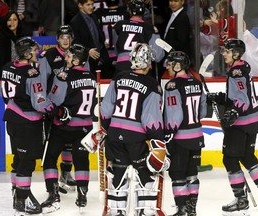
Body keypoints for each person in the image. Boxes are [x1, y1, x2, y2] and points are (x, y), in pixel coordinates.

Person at [206, 38, 258, 215]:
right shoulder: (243, 67)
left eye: (227, 51)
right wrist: (222, 98)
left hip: (241, 124)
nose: (224, 54)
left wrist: (233, 112)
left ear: (236, 54)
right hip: (252, 122)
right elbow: (240, 94)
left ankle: (241, 200)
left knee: (229, 159)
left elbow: (242, 100)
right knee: (247, 157)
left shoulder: (236, 72)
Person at [100, 43, 168, 216]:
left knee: (118, 175)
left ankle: (116, 212)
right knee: (144, 176)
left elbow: (106, 109)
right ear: (149, 63)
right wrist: (158, 140)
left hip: (115, 136)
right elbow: (151, 120)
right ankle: (145, 212)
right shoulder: (151, 84)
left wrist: (109, 129)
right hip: (137, 139)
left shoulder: (118, 77)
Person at [0, 36, 56, 215]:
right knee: (26, 163)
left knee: (18, 159)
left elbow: (2, 90)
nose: (37, 52)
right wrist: (53, 109)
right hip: (27, 123)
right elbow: (40, 103)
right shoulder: (32, 72)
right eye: (34, 50)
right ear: (27, 53)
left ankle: (17, 194)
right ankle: (23, 201)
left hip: (12, 118)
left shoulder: (7, 67)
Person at [41, 44, 96, 213]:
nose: (66, 57)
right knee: (81, 161)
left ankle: (53, 195)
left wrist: (53, 110)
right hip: (85, 127)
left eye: (69, 56)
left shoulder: (64, 76)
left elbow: (53, 101)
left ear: (77, 60)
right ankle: (82, 195)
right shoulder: (91, 76)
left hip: (63, 127)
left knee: (49, 159)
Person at [163, 51, 207, 216]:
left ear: (178, 65)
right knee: (192, 173)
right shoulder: (197, 83)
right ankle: (192, 209)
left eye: (170, 63)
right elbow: (202, 112)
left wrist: (169, 134)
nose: (168, 66)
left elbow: (175, 115)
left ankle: (182, 209)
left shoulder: (172, 85)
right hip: (196, 135)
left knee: (178, 173)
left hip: (180, 137)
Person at [39, 25, 77, 194]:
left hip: (71, 103)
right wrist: (46, 104)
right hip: (55, 105)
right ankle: (52, 182)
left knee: (70, 142)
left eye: (68, 37)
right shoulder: (50, 55)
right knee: (55, 142)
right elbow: (41, 81)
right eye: (63, 37)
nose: (66, 40)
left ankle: (66, 174)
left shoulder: (76, 54)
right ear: (57, 39)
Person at [112, 0, 164, 75]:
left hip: (122, 64)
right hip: (142, 67)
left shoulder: (119, 25)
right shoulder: (150, 28)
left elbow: (116, 47)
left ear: (129, 11)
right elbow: (158, 56)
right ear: (143, 11)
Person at [70, 0, 109, 76]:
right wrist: (88, 50)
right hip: (88, 62)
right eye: (88, 5)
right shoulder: (75, 22)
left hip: (102, 59)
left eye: (92, 4)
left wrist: (102, 44)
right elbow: (75, 43)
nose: (91, 7)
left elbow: (98, 36)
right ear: (80, 5)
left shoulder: (94, 17)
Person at [94, 0, 130, 78]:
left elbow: (94, 32)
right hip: (122, 53)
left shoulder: (98, 13)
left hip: (105, 53)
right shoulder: (125, 12)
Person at [0, 10, 22, 81]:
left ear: (18, 21)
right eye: (9, 20)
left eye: (15, 20)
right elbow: (2, 61)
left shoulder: (22, 36)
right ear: (6, 22)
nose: (12, 22)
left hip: (21, 74)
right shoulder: (3, 37)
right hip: (7, 75)